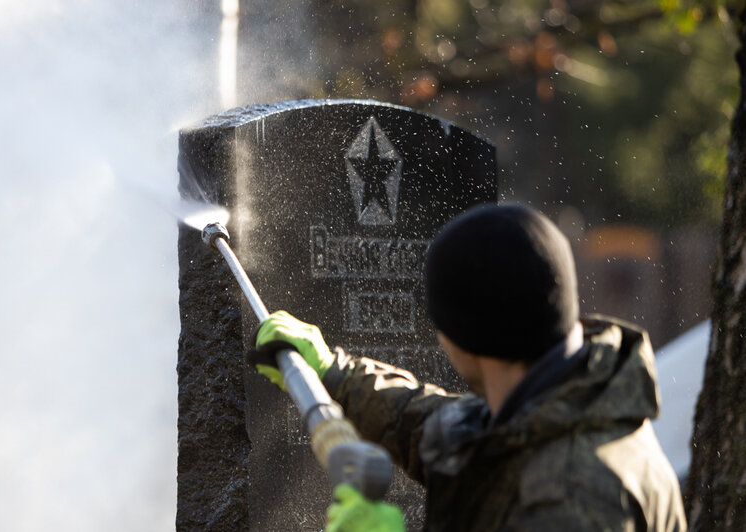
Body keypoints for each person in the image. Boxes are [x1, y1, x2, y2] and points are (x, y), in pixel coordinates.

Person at [249, 204, 687, 531]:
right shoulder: (574, 407)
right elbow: (446, 430)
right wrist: (334, 372)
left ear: (464, 338)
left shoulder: (566, 501)